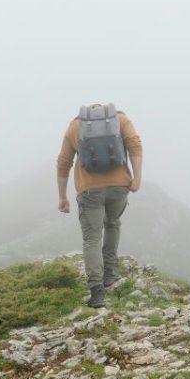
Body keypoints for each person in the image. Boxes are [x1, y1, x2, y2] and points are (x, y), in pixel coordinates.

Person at [56, 103, 144, 307]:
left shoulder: (74, 126)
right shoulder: (120, 119)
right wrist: (137, 177)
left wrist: (62, 196)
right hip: (119, 186)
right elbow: (135, 144)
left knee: (92, 237)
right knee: (113, 224)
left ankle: (97, 291)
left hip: (89, 190)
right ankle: (110, 274)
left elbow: (63, 162)